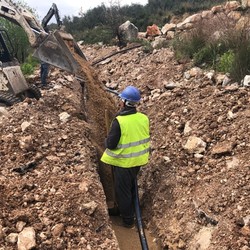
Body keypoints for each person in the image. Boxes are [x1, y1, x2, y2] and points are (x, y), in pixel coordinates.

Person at [101, 86, 150, 228]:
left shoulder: (119, 121)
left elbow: (110, 144)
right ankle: (133, 210)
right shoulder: (143, 118)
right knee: (130, 186)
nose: (119, 102)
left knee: (122, 192)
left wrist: (106, 140)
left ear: (124, 102)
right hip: (138, 161)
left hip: (124, 162)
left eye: (121, 99)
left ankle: (128, 220)